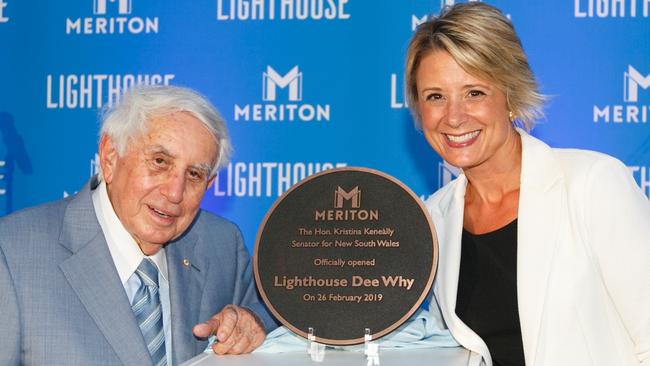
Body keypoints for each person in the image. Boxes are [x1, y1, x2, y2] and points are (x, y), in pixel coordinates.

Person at [405, 3, 650, 366]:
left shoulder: (593, 184)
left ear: (510, 96)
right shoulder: (433, 219)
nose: (454, 117)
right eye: (435, 96)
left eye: (474, 92)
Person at [0, 85, 277, 365]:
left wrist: (254, 322)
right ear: (110, 156)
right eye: (160, 162)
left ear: (209, 185)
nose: (174, 192)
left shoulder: (220, 243)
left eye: (194, 174)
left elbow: (279, 314)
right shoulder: (12, 254)